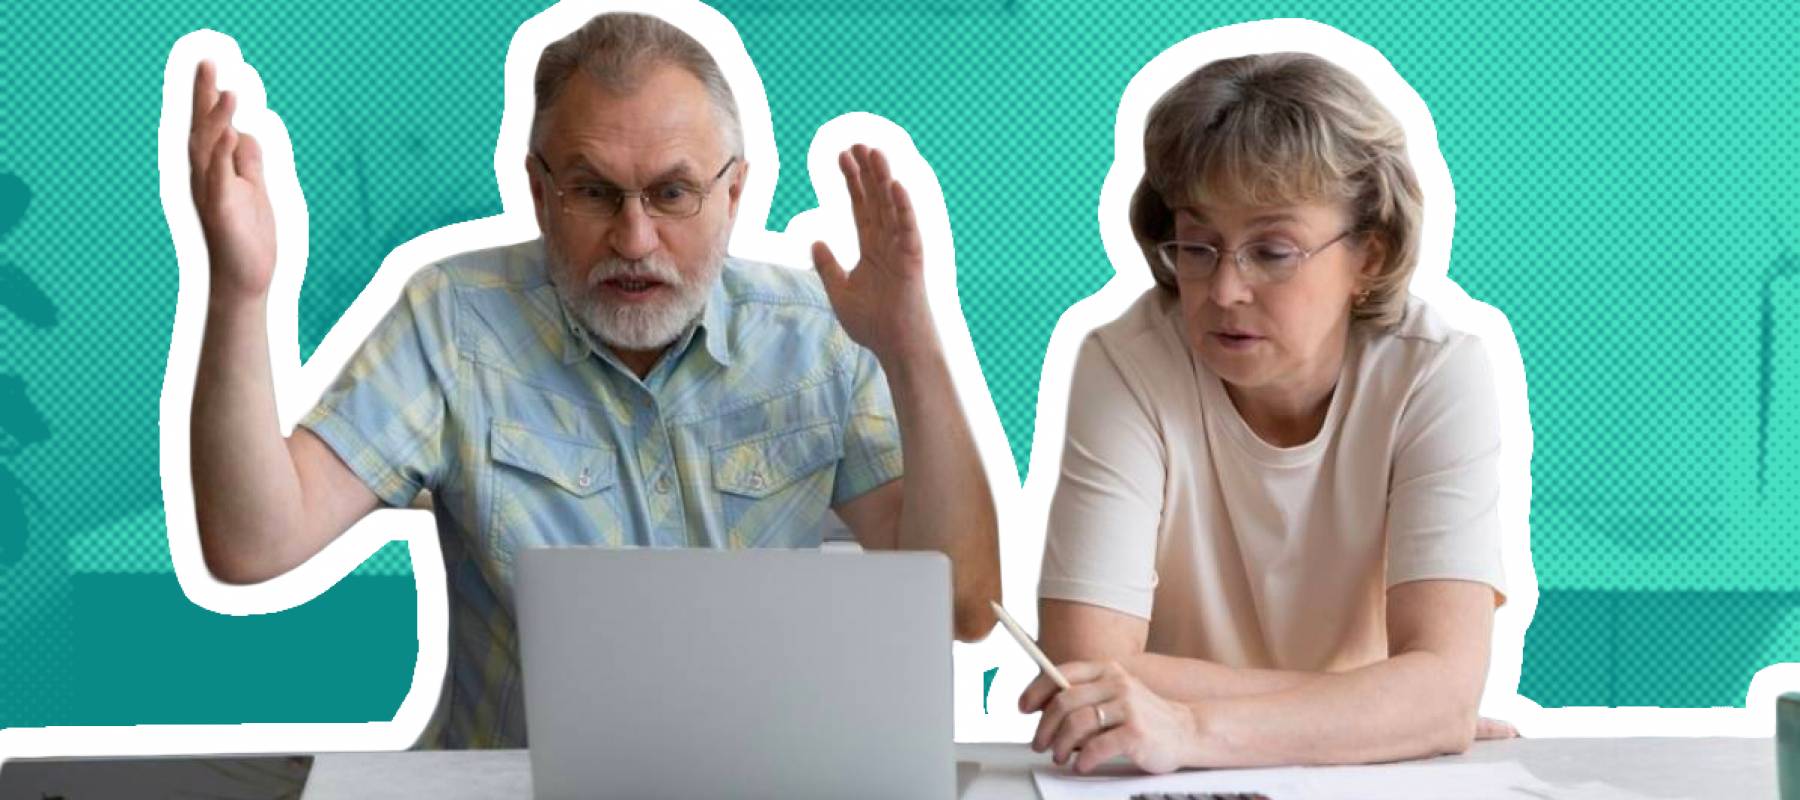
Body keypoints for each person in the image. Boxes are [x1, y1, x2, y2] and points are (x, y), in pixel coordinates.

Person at [184, 11, 999, 748]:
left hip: (761, 777)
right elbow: (254, 544)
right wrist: (240, 287)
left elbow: (961, 605)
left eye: (673, 193)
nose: (635, 239)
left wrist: (910, 345)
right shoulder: (454, 319)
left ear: (735, 193)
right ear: (541, 193)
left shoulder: (821, 335)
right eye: (593, 192)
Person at [1018, 52, 1518, 773]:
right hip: (1187, 781)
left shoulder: (1435, 371)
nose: (1224, 289)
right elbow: (1082, 666)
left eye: (1272, 251)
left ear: (1368, 256)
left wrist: (1190, 725)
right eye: (1197, 244)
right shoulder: (1125, 363)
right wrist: (1383, 707)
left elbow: (1441, 695)